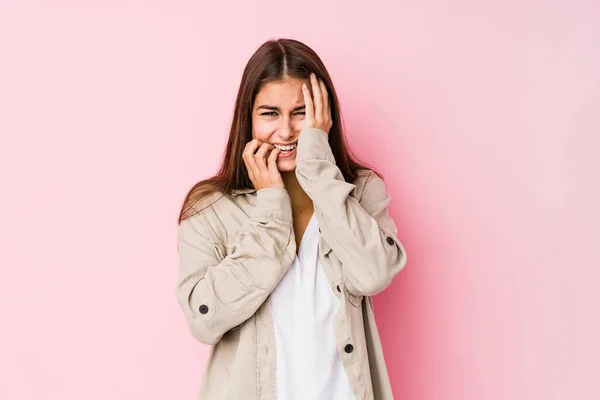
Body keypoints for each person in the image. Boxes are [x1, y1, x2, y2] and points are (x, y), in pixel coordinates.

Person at [175, 38, 407, 400]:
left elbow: (374, 273)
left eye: (301, 113)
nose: (285, 132)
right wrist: (270, 209)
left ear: (323, 115)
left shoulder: (359, 191)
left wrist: (317, 166)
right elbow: (204, 320)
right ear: (248, 117)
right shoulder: (211, 209)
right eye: (270, 113)